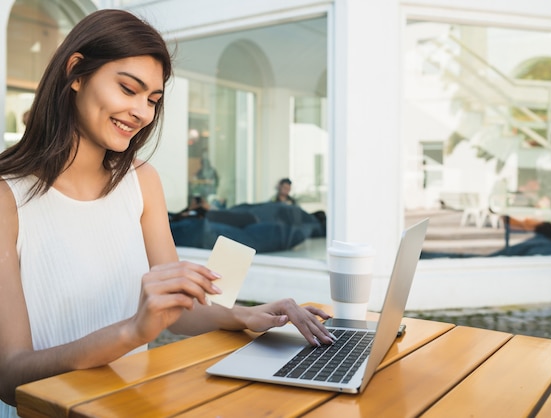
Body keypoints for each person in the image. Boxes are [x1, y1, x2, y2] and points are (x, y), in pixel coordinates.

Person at [0, 9, 333, 416]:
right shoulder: (7, 198)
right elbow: (9, 375)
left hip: (138, 405)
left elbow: (178, 315)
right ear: (76, 73)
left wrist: (246, 314)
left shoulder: (142, 180)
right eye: (128, 89)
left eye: (153, 100)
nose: (142, 112)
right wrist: (132, 331)